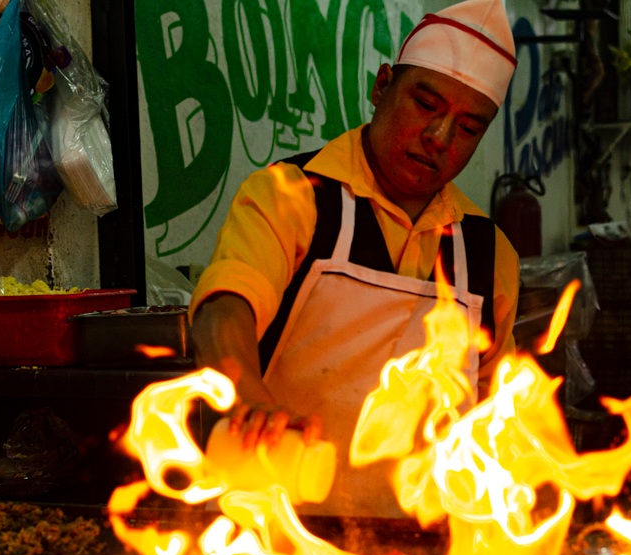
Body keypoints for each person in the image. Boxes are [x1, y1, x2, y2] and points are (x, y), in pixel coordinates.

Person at [189, 0, 521, 518]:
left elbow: (498, 411)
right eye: (425, 104)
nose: (438, 138)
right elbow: (223, 307)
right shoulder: (291, 197)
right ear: (382, 85)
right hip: (273, 543)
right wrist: (247, 397)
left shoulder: (485, 250)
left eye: (467, 127)